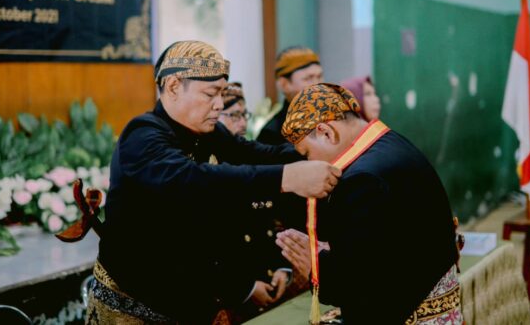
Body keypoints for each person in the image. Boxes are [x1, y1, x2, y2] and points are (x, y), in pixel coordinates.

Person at [88, 41, 341, 324]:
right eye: (211, 93)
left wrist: (318, 150)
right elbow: (193, 181)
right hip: (132, 308)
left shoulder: (206, 131)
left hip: (188, 299)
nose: (219, 104)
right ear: (172, 86)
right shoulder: (142, 135)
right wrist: (287, 177)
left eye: (221, 92)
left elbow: (254, 154)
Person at [276, 83, 461, 324]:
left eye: (306, 153)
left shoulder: (362, 179)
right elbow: (386, 247)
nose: (308, 162)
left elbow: (358, 285)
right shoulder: (390, 143)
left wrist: (317, 266)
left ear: (326, 132)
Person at [217, 82, 293, 321]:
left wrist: (282, 268)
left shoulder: (251, 161)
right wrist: (246, 288)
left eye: (244, 114)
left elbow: (270, 224)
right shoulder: (207, 170)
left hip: (268, 285)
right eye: (234, 115)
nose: (243, 123)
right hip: (229, 298)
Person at [256, 46, 323, 146]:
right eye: (308, 78)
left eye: (319, 76)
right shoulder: (271, 133)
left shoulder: (334, 118)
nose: (317, 84)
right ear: (284, 84)